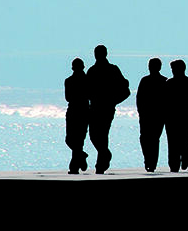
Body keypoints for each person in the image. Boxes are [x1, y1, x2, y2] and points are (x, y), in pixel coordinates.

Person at [87, 45, 131, 174]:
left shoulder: (112, 69)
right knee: (94, 135)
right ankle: (105, 154)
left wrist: (113, 102)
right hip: (95, 107)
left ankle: (101, 164)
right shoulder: (92, 70)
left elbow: (125, 90)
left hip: (106, 107)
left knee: (102, 134)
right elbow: (87, 89)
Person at [165, 59, 188, 172]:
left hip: (182, 115)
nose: (173, 71)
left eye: (174, 69)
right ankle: (173, 164)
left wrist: (181, 100)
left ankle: (183, 158)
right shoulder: (169, 82)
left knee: (183, 139)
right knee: (173, 141)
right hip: (173, 116)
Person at [136, 58, 167, 172]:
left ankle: (151, 162)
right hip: (149, 115)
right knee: (148, 139)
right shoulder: (146, 80)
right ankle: (150, 160)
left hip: (154, 115)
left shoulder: (162, 81)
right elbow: (139, 98)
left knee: (150, 139)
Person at [64, 58, 90, 174]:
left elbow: (69, 97)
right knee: (72, 139)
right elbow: (68, 98)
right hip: (77, 110)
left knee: (77, 140)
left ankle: (74, 167)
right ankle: (81, 156)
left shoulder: (85, 80)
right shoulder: (70, 80)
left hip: (80, 110)